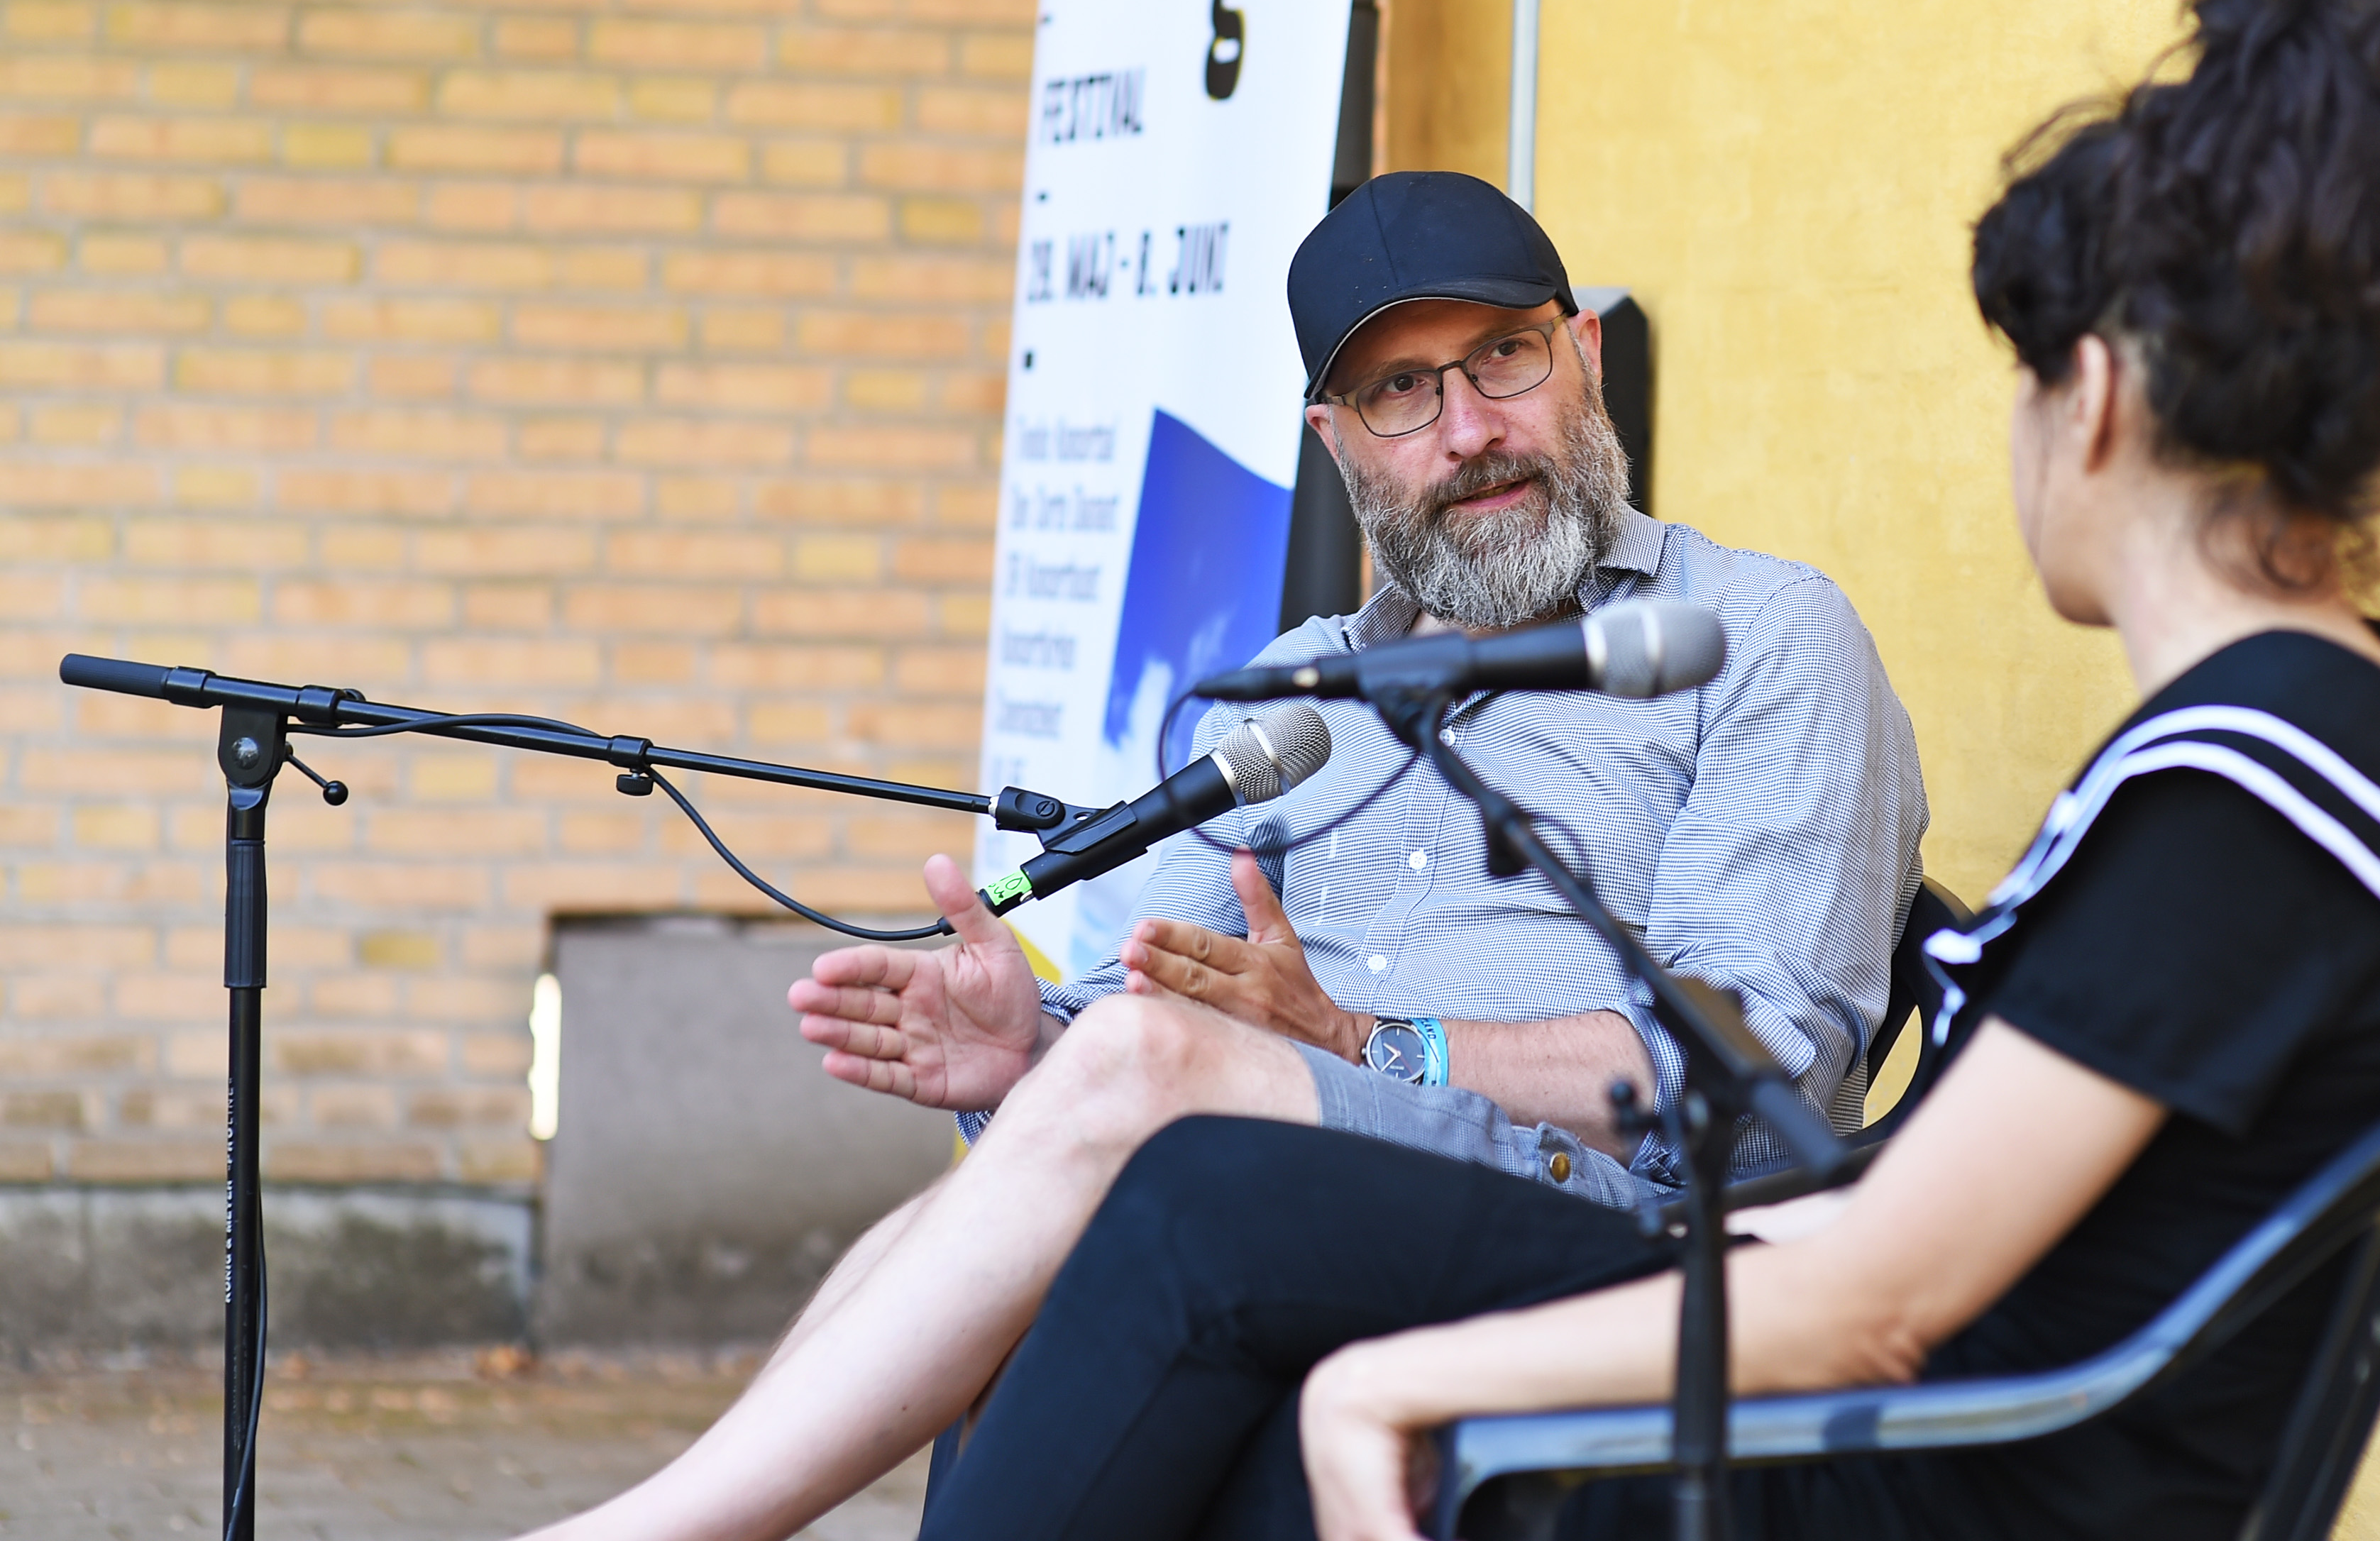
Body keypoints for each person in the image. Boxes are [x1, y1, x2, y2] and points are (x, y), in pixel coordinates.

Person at [907, 0, 2380, 1541]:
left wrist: (1388, 1372)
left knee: (1191, 1266)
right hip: (1877, 1424)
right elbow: (1897, 1225)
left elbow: (1875, 1277)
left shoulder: (2246, 794)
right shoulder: (2315, 752)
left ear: (2095, 399)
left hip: (1873, 1474)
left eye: (2017, 384)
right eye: (1406, 394)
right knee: (1127, 1268)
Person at [522, 170, 1927, 1541]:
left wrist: (1365, 1045)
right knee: (1022, 1183)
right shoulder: (1297, 694)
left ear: (1587, 354)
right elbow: (1154, 1006)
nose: (1467, 431)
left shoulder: (1761, 634)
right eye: (1399, 391)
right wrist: (1032, 1047)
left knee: (1136, 1117)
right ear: (1336, 440)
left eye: (1504, 356)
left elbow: (1758, 1072)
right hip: (1310, 1208)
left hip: (1635, 1240)